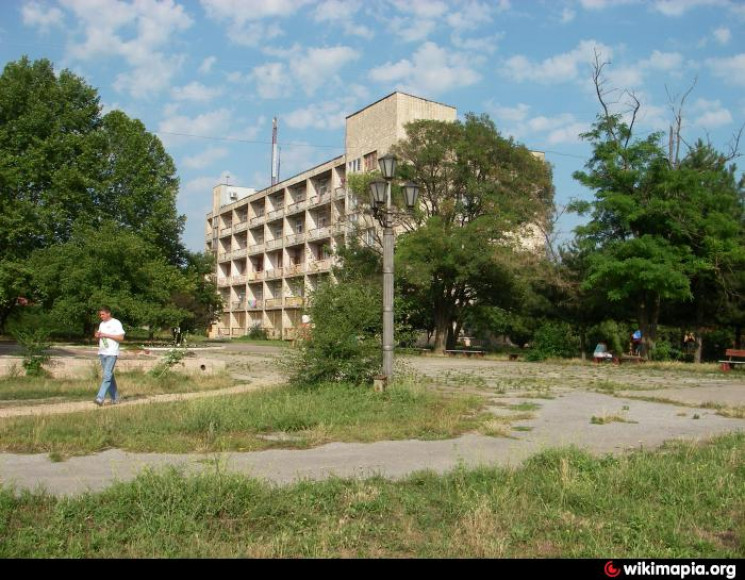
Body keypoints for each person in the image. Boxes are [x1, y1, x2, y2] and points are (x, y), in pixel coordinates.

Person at [94, 306, 125, 406]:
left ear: (108, 313)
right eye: (100, 314)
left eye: (102, 314)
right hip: (102, 352)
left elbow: (121, 338)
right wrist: (97, 336)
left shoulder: (116, 323)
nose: (100, 316)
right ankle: (115, 398)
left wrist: (106, 335)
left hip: (112, 353)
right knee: (109, 376)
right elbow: (100, 337)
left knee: (106, 376)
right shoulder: (102, 324)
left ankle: (100, 398)